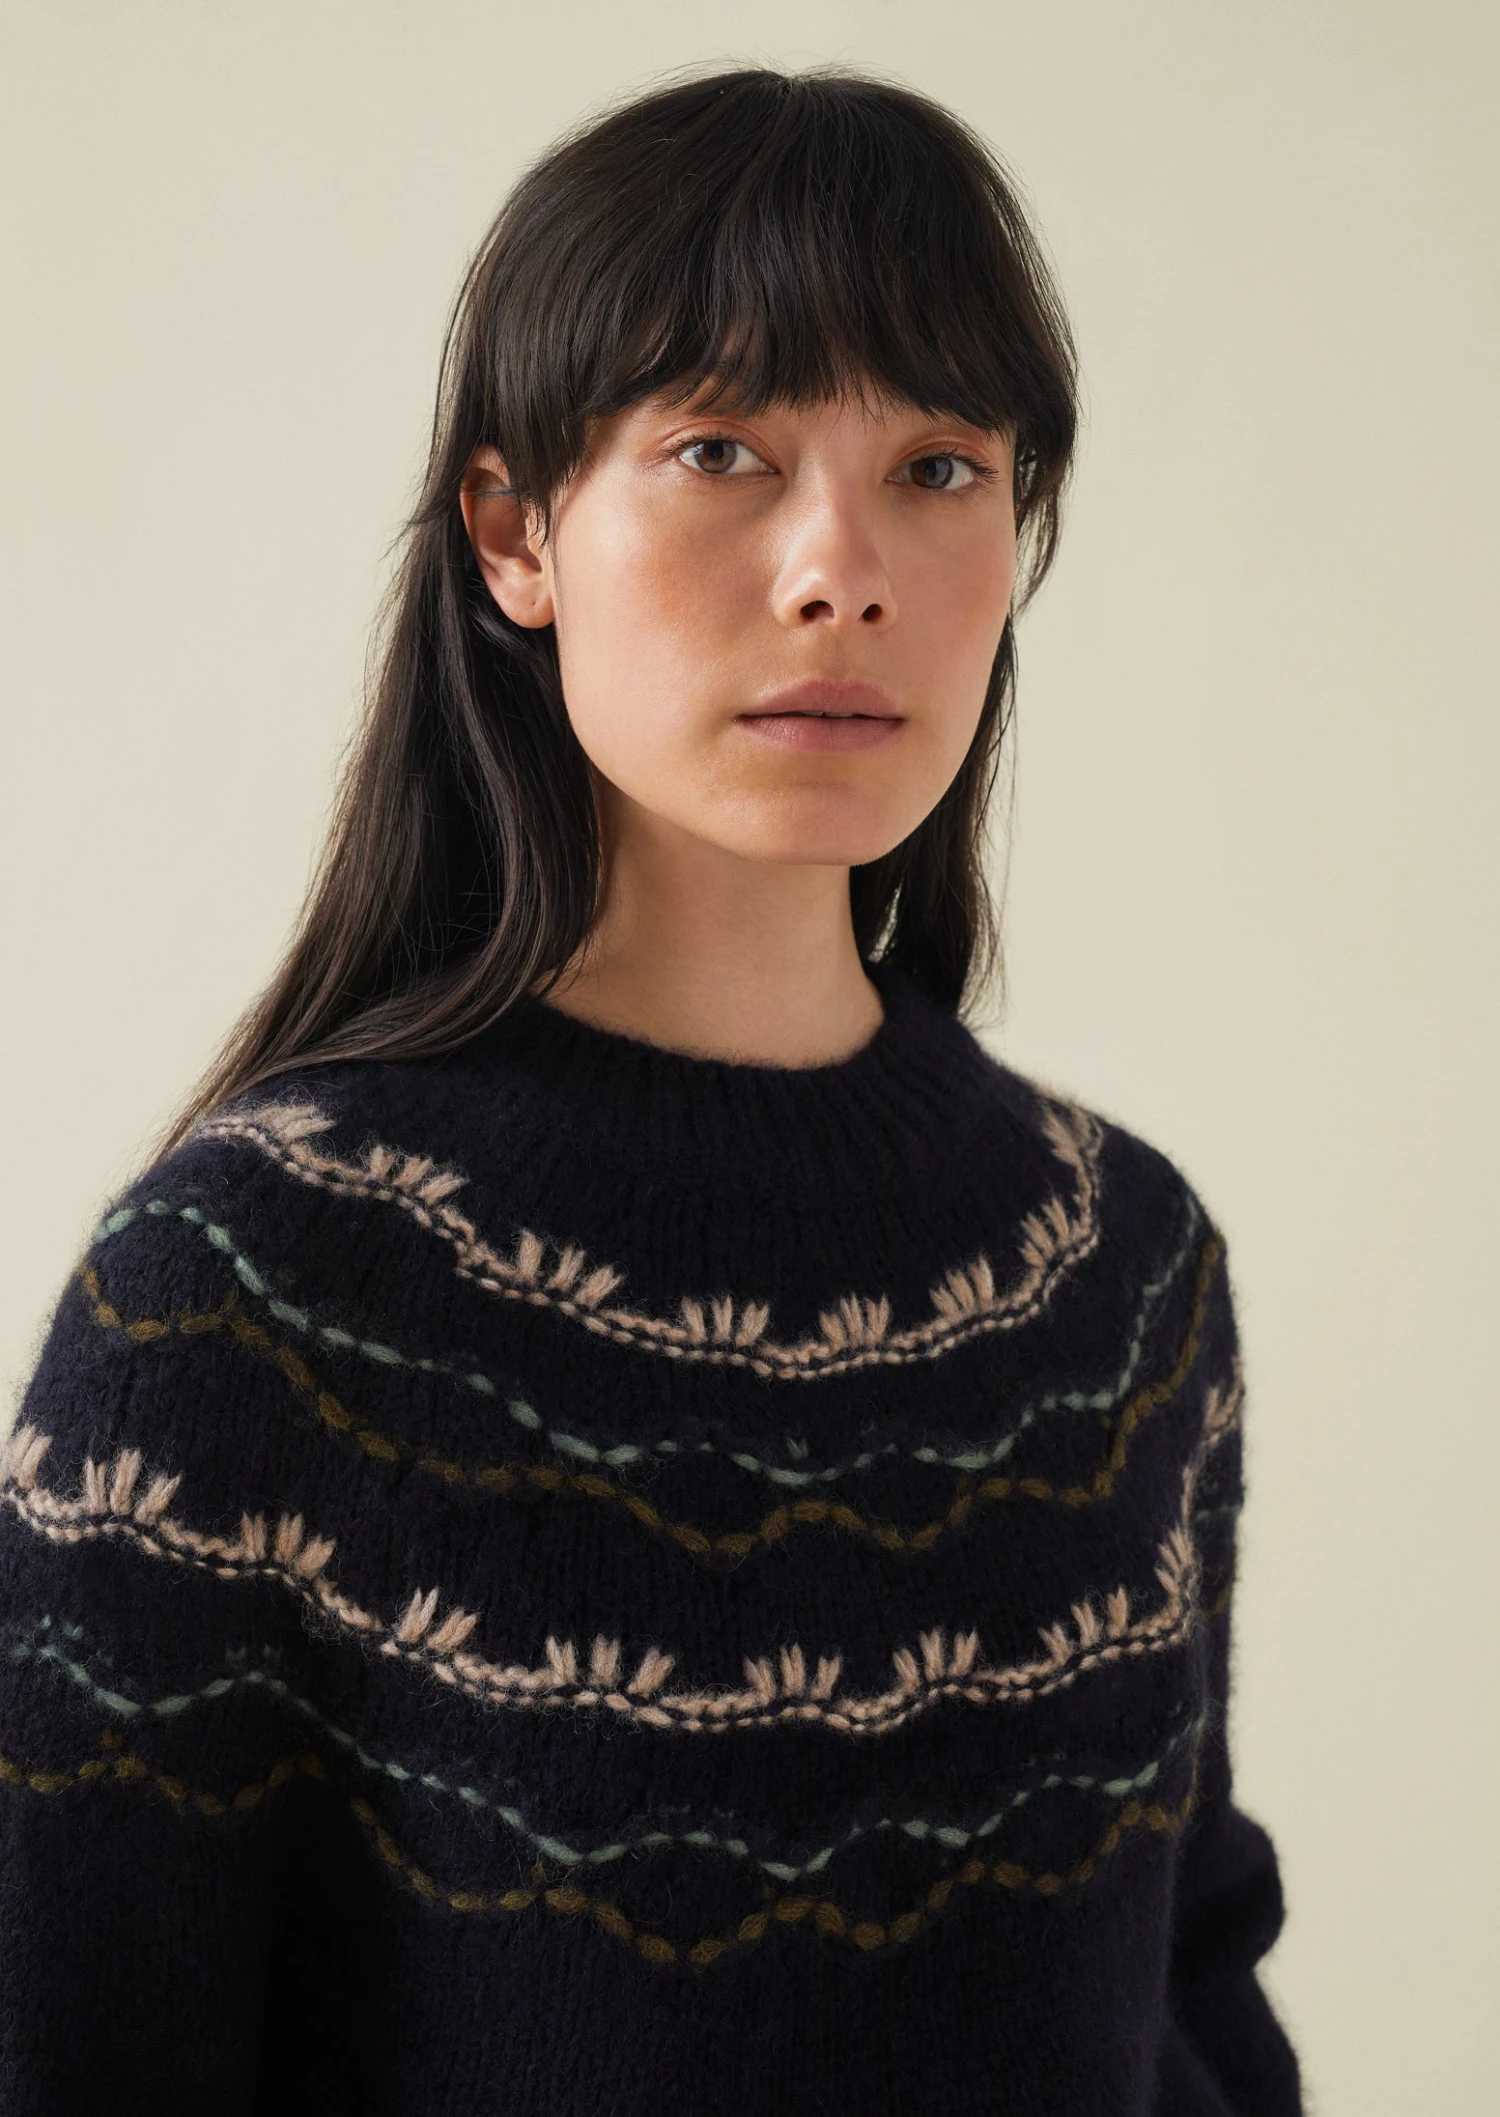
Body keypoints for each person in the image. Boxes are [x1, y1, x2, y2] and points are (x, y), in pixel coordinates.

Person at [0, 65, 1303, 2115]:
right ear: (514, 532)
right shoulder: (245, 1297)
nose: (842, 570)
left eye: (940, 467)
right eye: (720, 450)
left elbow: (1194, 1999)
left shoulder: (1123, 1267)